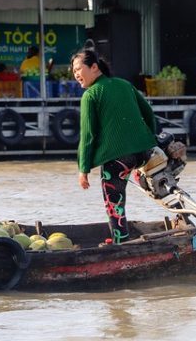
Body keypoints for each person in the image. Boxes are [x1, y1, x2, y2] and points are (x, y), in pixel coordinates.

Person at [71, 47, 157, 245]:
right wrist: (151, 141)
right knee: (130, 170)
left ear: (94, 67)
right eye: (73, 72)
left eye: (78, 69)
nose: (76, 75)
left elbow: (88, 136)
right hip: (144, 153)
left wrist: (83, 170)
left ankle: (121, 242)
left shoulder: (91, 95)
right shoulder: (124, 84)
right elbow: (148, 113)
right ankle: (138, 172)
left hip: (119, 160)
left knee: (114, 202)